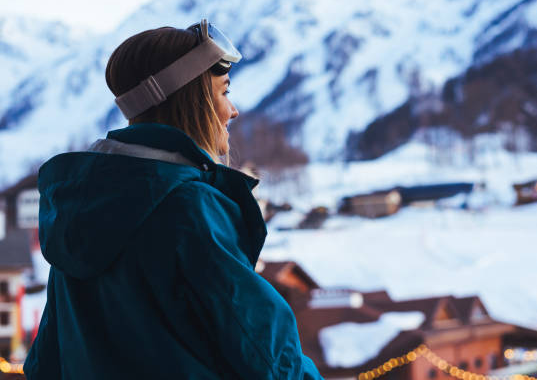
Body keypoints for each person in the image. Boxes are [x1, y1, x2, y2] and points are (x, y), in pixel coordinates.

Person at [24, 20, 323, 379]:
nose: (234, 109)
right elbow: (267, 354)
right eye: (224, 92)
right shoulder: (186, 208)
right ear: (193, 101)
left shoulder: (82, 212)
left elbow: (46, 362)